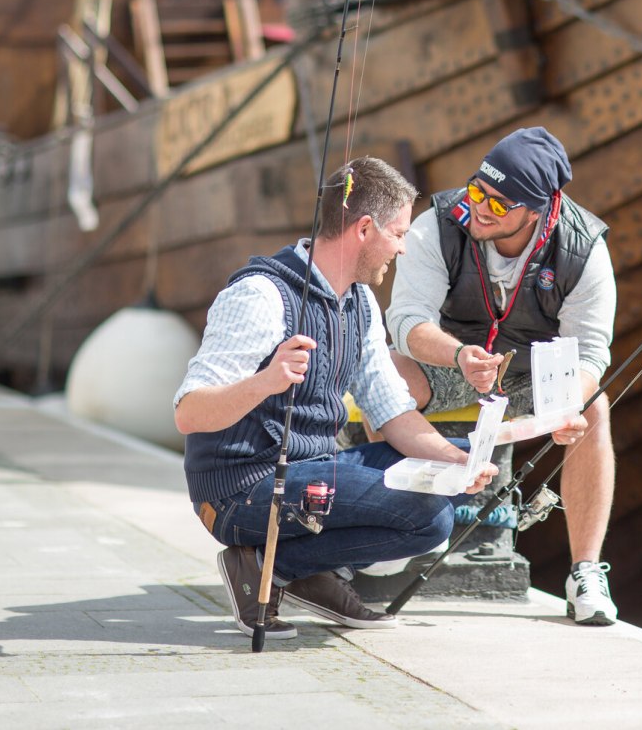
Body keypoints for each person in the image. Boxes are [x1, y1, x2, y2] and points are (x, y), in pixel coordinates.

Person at [174, 156, 497, 640]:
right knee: (428, 516)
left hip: (309, 477)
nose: (403, 249)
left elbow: (393, 411)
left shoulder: (361, 302)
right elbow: (188, 413)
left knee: (443, 481)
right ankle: (272, 563)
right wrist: (266, 381)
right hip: (239, 491)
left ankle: (289, 571)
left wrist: (458, 461)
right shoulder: (260, 296)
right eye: (398, 233)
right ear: (364, 229)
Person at [385, 126, 619, 625]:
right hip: (453, 364)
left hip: (532, 375)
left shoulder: (584, 250)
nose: (481, 208)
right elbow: (406, 322)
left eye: (499, 203)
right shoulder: (439, 225)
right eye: (477, 191)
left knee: (595, 405)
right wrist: (461, 355)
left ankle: (584, 574)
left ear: (537, 208)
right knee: (390, 376)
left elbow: (592, 355)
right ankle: (373, 541)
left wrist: (568, 406)